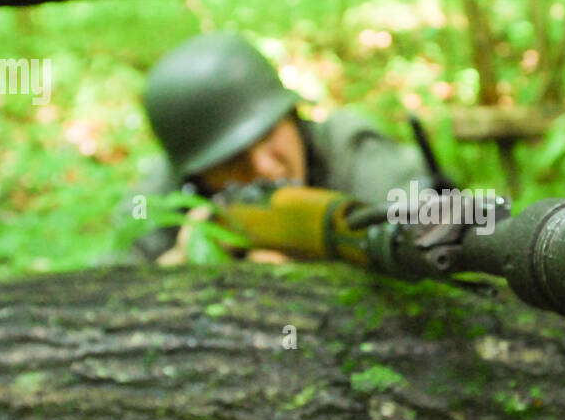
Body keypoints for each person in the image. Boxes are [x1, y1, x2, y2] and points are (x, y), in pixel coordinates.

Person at [125, 33, 441, 263]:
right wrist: (172, 284)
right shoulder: (167, 195)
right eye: (233, 160)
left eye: (268, 136)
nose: (264, 166)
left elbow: (427, 246)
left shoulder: (351, 153)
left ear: (292, 117)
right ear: (199, 174)